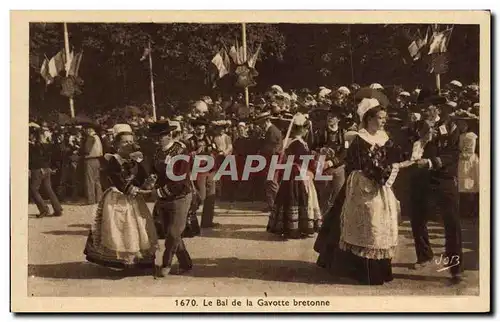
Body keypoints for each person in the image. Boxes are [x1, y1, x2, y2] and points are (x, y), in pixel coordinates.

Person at [314, 98, 410, 285]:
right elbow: (365, 165)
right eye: (380, 118)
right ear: (369, 118)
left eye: (384, 118)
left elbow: (393, 156)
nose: (383, 121)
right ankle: (360, 270)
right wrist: (386, 170)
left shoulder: (384, 137)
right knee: (365, 223)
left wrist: (398, 162)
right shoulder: (359, 138)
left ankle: (380, 268)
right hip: (363, 184)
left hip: (380, 185)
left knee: (380, 225)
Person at [83, 124, 159, 270]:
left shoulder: (136, 159)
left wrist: (148, 182)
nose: (129, 144)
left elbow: (141, 177)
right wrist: (129, 188)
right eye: (125, 142)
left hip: (134, 197)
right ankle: (121, 259)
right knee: (120, 226)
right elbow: (116, 178)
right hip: (118, 196)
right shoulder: (113, 159)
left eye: (131, 141)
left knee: (138, 226)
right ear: (117, 144)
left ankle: (138, 258)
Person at [410, 95, 464, 284]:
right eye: (422, 107)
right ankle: (424, 256)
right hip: (421, 179)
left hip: (444, 179)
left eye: (427, 107)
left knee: (452, 223)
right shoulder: (416, 126)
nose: (424, 110)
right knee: (417, 218)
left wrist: (432, 162)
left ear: (438, 109)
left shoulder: (451, 127)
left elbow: (453, 154)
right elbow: (407, 146)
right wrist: (420, 139)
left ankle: (455, 267)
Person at [267, 113, 321, 239]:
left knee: (296, 199)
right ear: (301, 129)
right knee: (297, 198)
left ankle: (296, 227)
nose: (307, 131)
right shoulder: (296, 143)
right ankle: (294, 228)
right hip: (296, 173)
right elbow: (302, 159)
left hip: (296, 172)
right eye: (306, 128)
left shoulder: (296, 142)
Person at [150, 121, 194, 277]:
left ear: (169, 135)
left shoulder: (181, 152)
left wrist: (159, 192)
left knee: (174, 233)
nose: (157, 140)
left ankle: (166, 263)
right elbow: (154, 171)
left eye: (160, 137)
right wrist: (151, 180)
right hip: (164, 198)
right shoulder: (156, 152)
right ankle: (186, 263)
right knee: (171, 232)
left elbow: (180, 181)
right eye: (155, 137)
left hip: (180, 196)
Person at [312, 109, 347, 217]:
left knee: (339, 194)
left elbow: (345, 152)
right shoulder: (319, 132)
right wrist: (321, 150)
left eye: (333, 116)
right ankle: (321, 218)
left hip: (338, 167)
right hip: (322, 166)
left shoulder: (344, 133)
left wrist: (332, 162)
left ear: (339, 119)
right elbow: (313, 148)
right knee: (323, 194)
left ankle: (337, 219)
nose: (330, 118)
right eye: (329, 116)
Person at [188, 118, 219, 228]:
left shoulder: (209, 139)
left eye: (202, 129)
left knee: (211, 197)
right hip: (198, 172)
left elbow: (216, 151)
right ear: (194, 129)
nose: (201, 132)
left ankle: (207, 222)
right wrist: (196, 152)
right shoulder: (189, 141)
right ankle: (190, 220)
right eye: (198, 129)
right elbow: (186, 157)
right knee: (200, 197)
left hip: (210, 171)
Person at [29, 126, 63, 218]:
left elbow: (34, 159)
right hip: (47, 168)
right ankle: (58, 208)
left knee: (33, 189)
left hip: (38, 169)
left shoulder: (34, 146)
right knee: (48, 189)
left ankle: (43, 209)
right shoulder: (48, 145)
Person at [254, 111, 283, 212]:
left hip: (273, 160)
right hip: (269, 160)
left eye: (261, 123)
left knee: (272, 183)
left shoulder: (273, 131)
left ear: (267, 121)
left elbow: (273, 149)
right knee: (269, 182)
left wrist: (261, 151)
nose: (260, 125)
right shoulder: (269, 131)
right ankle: (272, 205)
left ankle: (279, 204)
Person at [81, 124, 104, 204]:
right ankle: (100, 198)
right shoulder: (97, 137)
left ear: (89, 130)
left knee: (90, 180)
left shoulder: (90, 138)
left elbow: (86, 150)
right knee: (97, 180)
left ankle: (91, 200)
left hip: (90, 159)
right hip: (97, 160)